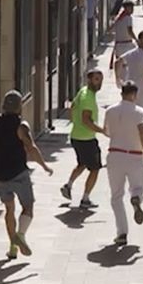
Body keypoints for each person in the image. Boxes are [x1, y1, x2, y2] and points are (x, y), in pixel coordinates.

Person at [0, 90, 53, 260]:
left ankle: (13, 248)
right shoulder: (21, 125)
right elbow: (31, 148)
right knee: (28, 206)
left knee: (9, 209)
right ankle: (20, 236)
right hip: (18, 173)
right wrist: (44, 166)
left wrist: (0, 151)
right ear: (19, 107)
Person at [103, 82, 143, 247]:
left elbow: (107, 132)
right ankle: (136, 198)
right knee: (138, 187)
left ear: (122, 93)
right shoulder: (139, 112)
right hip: (134, 155)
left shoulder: (110, 110)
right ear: (135, 94)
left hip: (115, 154)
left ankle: (122, 233)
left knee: (116, 196)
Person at [62, 70, 107, 210]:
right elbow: (86, 120)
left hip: (76, 136)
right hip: (86, 139)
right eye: (96, 79)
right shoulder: (88, 97)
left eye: (100, 79)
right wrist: (102, 131)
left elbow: (72, 107)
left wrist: (74, 122)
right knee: (95, 169)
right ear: (89, 80)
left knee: (82, 163)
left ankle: (68, 186)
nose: (99, 82)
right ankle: (85, 198)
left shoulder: (83, 91)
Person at [108, 0, 137, 77]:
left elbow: (110, 29)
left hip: (118, 45)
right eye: (131, 8)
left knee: (120, 65)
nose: (132, 9)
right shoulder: (128, 18)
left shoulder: (118, 17)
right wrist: (136, 40)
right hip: (127, 45)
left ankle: (120, 79)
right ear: (126, 8)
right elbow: (130, 31)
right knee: (128, 65)